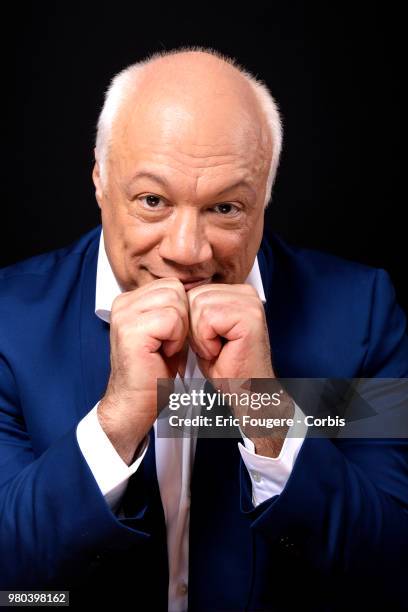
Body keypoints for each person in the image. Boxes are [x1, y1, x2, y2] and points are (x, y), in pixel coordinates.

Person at [0, 47, 407, 611]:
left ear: (264, 196)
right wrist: (117, 421)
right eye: (152, 201)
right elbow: (12, 584)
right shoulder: (7, 320)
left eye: (225, 209)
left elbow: (391, 572)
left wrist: (265, 413)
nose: (187, 252)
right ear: (99, 179)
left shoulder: (363, 313)